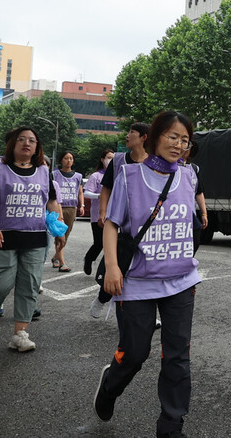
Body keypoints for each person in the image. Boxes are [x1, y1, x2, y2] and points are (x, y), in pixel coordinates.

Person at [93, 111, 204, 438]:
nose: (179, 144)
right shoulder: (128, 176)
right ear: (154, 138)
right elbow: (111, 224)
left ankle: (171, 426)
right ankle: (111, 384)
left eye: (185, 140)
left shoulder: (190, 177)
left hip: (181, 281)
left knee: (178, 357)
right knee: (135, 352)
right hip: (137, 281)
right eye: (173, 137)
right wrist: (112, 267)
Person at [0, 127, 62, 352]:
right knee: (0, 285)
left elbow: (51, 202)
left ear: (37, 147)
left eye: (32, 140)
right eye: (21, 139)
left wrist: (60, 232)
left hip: (36, 238)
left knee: (29, 286)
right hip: (5, 237)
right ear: (13, 144)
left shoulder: (43, 171)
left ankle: (20, 334)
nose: (27, 143)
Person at [89, 123, 148, 319]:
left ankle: (145, 310)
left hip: (145, 222)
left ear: (144, 138)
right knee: (118, 265)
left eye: (133, 132)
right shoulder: (118, 160)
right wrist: (103, 213)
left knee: (143, 269)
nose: (128, 135)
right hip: (120, 221)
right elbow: (106, 188)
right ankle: (102, 298)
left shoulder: (153, 162)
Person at [51, 151, 84, 272]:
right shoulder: (54, 175)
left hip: (71, 208)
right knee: (60, 235)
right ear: (61, 160)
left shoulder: (78, 176)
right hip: (58, 207)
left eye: (71, 158)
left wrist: (82, 205)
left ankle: (55, 257)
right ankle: (62, 263)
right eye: (66, 158)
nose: (68, 160)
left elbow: (80, 192)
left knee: (66, 235)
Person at [82, 149, 114, 276]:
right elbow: (86, 192)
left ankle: (106, 270)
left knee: (111, 245)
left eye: (113, 158)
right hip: (97, 215)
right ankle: (89, 259)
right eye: (108, 157)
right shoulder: (96, 176)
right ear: (102, 159)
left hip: (113, 214)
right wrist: (99, 196)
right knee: (99, 243)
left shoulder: (117, 174)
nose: (110, 160)